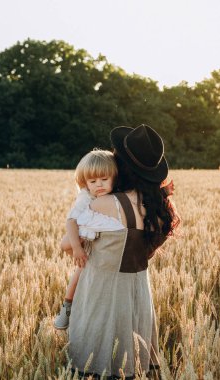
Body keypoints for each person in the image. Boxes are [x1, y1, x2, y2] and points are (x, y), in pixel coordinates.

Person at [68, 124, 180, 379]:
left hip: (102, 295)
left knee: (96, 364)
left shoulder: (105, 203)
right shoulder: (159, 209)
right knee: (133, 365)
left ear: (122, 167)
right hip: (138, 296)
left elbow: (66, 243)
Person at [54, 149, 123, 330]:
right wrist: (77, 248)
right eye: (93, 181)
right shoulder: (86, 196)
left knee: (81, 271)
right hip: (79, 239)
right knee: (80, 271)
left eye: (104, 179)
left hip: (92, 239)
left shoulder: (116, 194)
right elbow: (70, 222)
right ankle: (67, 306)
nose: (99, 185)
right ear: (85, 183)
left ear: (114, 177)